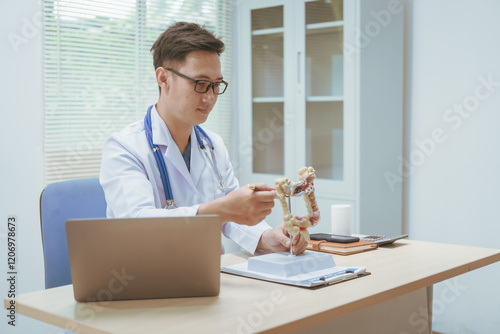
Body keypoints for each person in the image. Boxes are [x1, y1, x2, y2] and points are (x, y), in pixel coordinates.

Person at [100, 22, 307, 255]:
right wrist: (221, 209)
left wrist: (267, 236)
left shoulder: (212, 145)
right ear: (163, 78)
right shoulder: (124, 147)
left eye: (216, 85)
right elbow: (137, 223)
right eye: (200, 83)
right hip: (146, 279)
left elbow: (232, 216)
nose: (210, 97)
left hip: (210, 274)